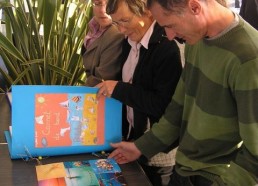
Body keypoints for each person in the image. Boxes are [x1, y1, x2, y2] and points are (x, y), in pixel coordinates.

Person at [107, 0, 258, 185]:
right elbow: (177, 108)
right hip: (184, 171)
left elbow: (255, 154)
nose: (170, 36)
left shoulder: (249, 58)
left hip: (216, 177)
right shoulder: (197, 39)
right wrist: (141, 146)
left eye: (170, 26)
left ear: (194, 7)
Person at [96, 0, 182, 185]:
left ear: (148, 12)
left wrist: (119, 89)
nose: (120, 29)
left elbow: (165, 105)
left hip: (159, 155)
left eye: (125, 21)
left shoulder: (167, 47)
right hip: (134, 146)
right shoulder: (129, 41)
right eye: (116, 22)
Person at [81, 0, 124, 86]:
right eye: (98, 3)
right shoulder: (95, 27)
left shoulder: (116, 34)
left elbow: (101, 80)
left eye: (109, 4)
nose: (103, 10)